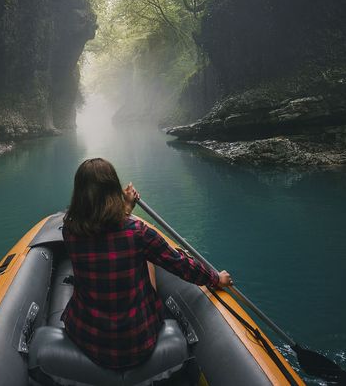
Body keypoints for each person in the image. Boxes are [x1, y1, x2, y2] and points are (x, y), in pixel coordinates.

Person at [61, 157, 233, 370]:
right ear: (114, 190)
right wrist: (216, 278)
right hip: (139, 340)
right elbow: (180, 265)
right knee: (148, 260)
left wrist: (124, 209)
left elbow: (101, 235)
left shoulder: (70, 231)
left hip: (87, 338)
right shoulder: (139, 234)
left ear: (79, 193)